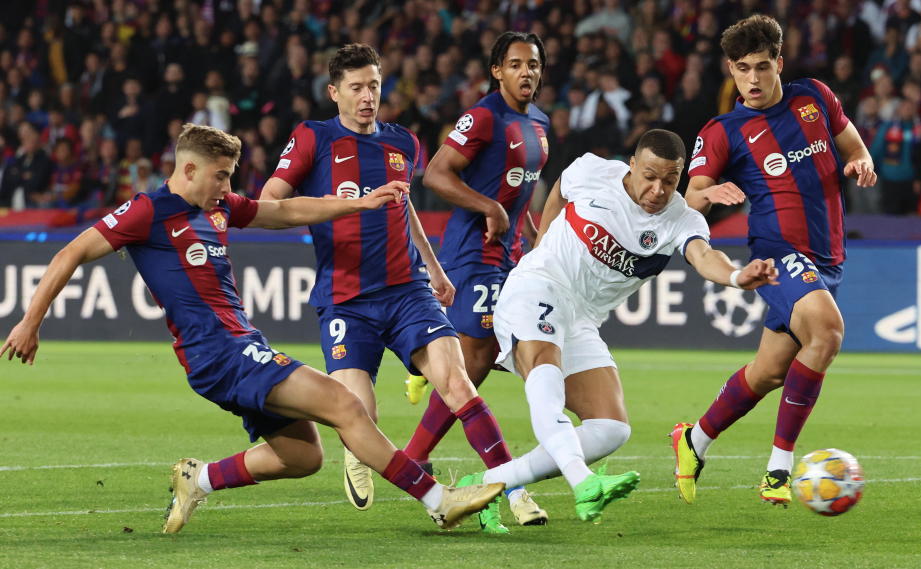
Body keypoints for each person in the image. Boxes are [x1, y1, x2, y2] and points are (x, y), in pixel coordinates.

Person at [1, 123, 503, 534]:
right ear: (189, 169)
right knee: (346, 405)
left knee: (302, 456)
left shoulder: (218, 208)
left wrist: (361, 204)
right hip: (219, 353)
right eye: (220, 176)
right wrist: (30, 321)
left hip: (240, 347)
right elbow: (71, 252)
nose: (227, 188)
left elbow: (285, 210)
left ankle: (199, 480)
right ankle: (439, 500)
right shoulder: (148, 212)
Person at [457, 129, 780, 524]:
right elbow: (560, 187)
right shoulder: (593, 171)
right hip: (538, 286)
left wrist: (735, 277)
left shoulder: (681, 219)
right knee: (546, 373)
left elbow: (703, 255)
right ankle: (584, 482)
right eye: (649, 175)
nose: (658, 189)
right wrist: (541, 243)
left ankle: (484, 484)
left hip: (582, 319)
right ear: (631, 165)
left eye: (669, 180)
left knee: (611, 428)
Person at [258, 44, 517, 528]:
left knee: (457, 382)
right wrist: (342, 205)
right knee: (356, 414)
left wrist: (434, 267)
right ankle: (362, 453)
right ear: (334, 92)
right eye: (356, 87)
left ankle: (514, 485)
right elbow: (268, 206)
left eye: (374, 85)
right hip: (345, 300)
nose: (367, 96)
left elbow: (404, 206)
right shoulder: (313, 138)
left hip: (406, 292)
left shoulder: (403, 143)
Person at [673, 14, 877, 507]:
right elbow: (688, 195)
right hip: (777, 255)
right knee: (827, 331)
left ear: (779, 63)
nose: (753, 79)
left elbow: (853, 145)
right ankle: (779, 468)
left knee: (768, 372)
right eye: (743, 69)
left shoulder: (815, 98)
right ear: (730, 70)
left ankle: (692, 440)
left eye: (762, 67)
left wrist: (862, 162)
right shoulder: (724, 131)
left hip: (828, 258)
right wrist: (708, 193)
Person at [400, 31, 550, 531]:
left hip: (510, 257)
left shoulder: (540, 124)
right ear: (497, 72)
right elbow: (436, 174)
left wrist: (530, 234)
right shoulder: (483, 116)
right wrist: (487, 206)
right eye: (515, 64)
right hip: (471, 255)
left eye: (533, 64)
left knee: (483, 360)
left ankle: (419, 451)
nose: (526, 72)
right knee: (479, 360)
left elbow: (521, 194)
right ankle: (509, 480)